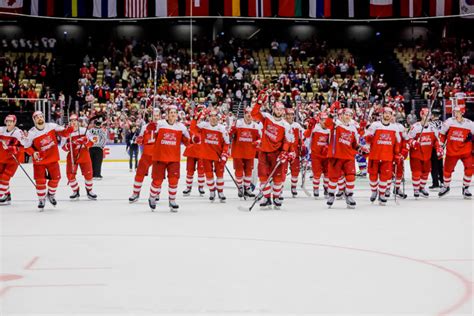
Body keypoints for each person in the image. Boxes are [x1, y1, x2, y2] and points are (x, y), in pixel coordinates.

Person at [251, 90, 294, 209]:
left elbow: (288, 140)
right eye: (277, 109)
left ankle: (276, 197)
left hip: (276, 154)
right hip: (264, 152)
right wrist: (259, 102)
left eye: (281, 110)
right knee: (263, 176)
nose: (279, 112)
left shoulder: (286, 125)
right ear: (273, 109)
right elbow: (254, 114)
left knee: (277, 178)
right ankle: (266, 198)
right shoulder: (267, 118)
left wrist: (284, 152)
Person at [24, 111, 73, 210]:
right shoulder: (31, 132)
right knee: (40, 181)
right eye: (37, 117)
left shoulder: (51, 126)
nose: (40, 118)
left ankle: (51, 194)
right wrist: (33, 153)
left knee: (56, 178)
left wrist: (69, 129)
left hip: (52, 159)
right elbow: (26, 147)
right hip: (39, 161)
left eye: (41, 116)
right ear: (34, 120)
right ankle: (41, 199)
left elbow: (64, 133)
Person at [148, 105, 190, 211]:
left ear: (177, 115)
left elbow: (188, 142)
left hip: (174, 159)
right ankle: (152, 197)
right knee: (157, 181)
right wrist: (150, 130)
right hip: (159, 157)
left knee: (174, 180)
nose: (173, 114)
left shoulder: (181, 127)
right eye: (171, 112)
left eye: (175, 112)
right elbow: (151, 137)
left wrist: (195, 140)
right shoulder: (160, 124)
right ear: (167, 115)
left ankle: (172, 200)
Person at [190, 108, 230, 203]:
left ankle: (220, 192)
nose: (213, 118)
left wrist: (224, 155)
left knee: (220, 174)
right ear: (208, 117)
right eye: (211, 116)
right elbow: (193, 129)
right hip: (206, 155)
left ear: (218, 117)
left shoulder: (222, 129)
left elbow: (226, 143)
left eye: (215, 116)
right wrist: (195, 119)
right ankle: (212, 191)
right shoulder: (204, 126)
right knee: (208, 174)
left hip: (218, 156)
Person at [363, 107, 401, 205]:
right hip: (374, 155)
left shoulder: (394, 127)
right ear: (382, 114)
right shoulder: (375, 125)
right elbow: (367, 139)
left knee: (385, 177)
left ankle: (382, 194)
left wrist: (396, 154)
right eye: (386, 113)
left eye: (389, 113)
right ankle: (374, 191)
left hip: (387, 156)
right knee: (373, 176)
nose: (387, 115)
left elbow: (397, 142)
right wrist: (368, 138)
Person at [325, 104, 359, 208]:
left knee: (350, 176)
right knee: (333, 177)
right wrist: (331, 112)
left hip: (349, 157)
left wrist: (360, 149)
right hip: (336, 156)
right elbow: (326, 123)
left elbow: (355, 144)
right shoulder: (336, 125)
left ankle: (349, 195)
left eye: (350, 115)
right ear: (341, 115)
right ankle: (331, 194)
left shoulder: (353, 129)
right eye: (346, 114)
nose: (348, 116)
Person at [438, 105, 474, 198]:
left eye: (458, 112)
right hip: (452, 151)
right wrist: (440, 146)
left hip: (466, 151)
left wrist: (472, 138)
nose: (456, 113)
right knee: (447, 171)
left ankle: (466, 188)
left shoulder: (470, 123)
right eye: (455, 112)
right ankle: (446, 186)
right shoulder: (449, 122)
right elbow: (442, 134)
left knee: (470, 169)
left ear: (462, 112)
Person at [407, 108, 443, 198]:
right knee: (416, 172)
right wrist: (413, 142)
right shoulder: (415, 127)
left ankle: (421, 188)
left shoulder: (432, 127)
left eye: (428, 115)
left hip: (427, 154)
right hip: (416, 154)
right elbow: (408, 139)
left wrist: (439, 148)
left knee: (426, 172)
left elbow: (436, 140)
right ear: (421, 115)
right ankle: (416, 189)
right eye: (425, 115)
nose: (426, 117)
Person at [62, 114, 98, 200]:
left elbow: (92, 142)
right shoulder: (66, 133)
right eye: (71, 121)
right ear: (69, 122)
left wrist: (86, 141)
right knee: (70, 175)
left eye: (75, 120)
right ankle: (75, 191)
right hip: (72, 157)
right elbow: (63, 147)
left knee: (88, 175)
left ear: (78, 122)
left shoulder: (84, 130)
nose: (73, 122)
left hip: (84, 155)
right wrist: (73, 144)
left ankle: (89, 191)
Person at [129, 108, 160, 203]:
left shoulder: (162, 126)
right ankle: (136, 193)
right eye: (154, 115)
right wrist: (139, 140)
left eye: (157, 115)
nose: (156, 117)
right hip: (146, 154)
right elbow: (140, 139)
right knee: (140, 173)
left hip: (158, 154)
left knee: (157, 175)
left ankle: (156, 193)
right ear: (151, 116)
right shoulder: (145, 126)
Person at [229, 107, 261, 198]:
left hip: (250, 152)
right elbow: (229, 135)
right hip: (238, 152)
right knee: (239, 171)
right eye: (247, 113)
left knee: (248, 171)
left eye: (251, 114)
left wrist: (258, 142)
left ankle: (247, 188)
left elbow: (260, 138)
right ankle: (240, 187)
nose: (249, 115)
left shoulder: (256, 126)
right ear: (244, 114)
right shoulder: (238, 123)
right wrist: (231, 131)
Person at [304, 111, 330, 198]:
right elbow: (306, 135)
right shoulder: (315, 128)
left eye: (326, 120)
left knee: (327, 173)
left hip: (326, 155)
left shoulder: (330, 129)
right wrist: (309, 127)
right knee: (317, 173)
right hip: (316, 155)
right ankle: (316, 188)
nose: (324, 122)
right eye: (323, 120)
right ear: (319, 120)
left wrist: (328, 147)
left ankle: (326, 188)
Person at [0, 115, 25, 204]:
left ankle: (1, 194)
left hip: (14, 159)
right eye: (7, 121)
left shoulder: (18, 133)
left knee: (5, 177)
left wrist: (13, 148)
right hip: (2, 158)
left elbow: (24, 146)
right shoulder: (1, 130)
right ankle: (7, 195)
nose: (9, 123)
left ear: (15, 122)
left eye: (11, 121)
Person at [284, 108, 306, 197]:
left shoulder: (297, 125)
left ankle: (293, 187)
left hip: (295, 151)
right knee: (282, 170)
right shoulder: (282, 124)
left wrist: (302, 145)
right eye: (288, 114)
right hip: (284, 151)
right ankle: (279, 187)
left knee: (295, 171)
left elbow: (302, 137)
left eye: (292, 114)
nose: (290, 116)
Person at [429, 108, 444, 189]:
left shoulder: (430, 124)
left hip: (433, 146)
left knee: (433, 166)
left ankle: (435, 183)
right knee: (440, 165)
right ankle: (443, 181)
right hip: (441, 146)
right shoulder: (443, 123)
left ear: (432, 115)